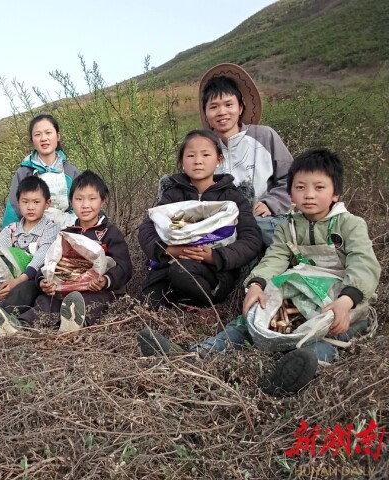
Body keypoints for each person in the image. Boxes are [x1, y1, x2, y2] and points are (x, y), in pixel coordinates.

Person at [139, 149, 381, 397]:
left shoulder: (350, 225)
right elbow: (275, 258)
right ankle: (194, 353)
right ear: (291, 193)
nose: (309, 195)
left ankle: (291, 375)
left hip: (341, 302)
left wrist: (346, 300)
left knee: (323, 338)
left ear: (335, 193)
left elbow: (364, 264)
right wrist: (256, 284)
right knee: (252, 320)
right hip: (301, 293)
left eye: (319, 188)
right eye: (300, 187)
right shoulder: (289, 226)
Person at [0, 170, 133, 335]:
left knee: (90, 301)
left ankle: (74, 325)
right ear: (71, 202)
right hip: (66, 287)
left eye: (92, 199)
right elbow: (49, 261)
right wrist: (43, 280)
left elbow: (124, 266)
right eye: (79, 199)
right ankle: (18, 326)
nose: (85, 205)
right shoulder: (67, 233)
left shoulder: (109, 233)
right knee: (46, 300)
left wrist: (106, 280)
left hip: (97, 290)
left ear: (102, 201)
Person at [138, 129, 262, 309]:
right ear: (182, 162)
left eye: (206, 154)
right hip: (170, 264)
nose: (198, 161)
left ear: (219, 159)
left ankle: (208, 305)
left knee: (181, 271)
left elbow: (251, 239)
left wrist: (215, 256)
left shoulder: (232, 197)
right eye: (190, 155)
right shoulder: (173, 196)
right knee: (148, 303)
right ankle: (180, 303)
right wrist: (168, 250)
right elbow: (147, 229)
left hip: (214, 272)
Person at [198, 63, 294, 246]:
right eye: (214, 107)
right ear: (206, 113)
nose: (222, 112)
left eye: (228, 104)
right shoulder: (203, 149)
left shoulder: (264, 136)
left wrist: (271, 203)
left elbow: (293, 178)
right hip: (223, 229)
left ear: (240, 107)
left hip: (265, 222)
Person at [0, 176, 61, 318]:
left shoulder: (51, 228)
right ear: (18, 203)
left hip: (34, 280)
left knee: (26, 288)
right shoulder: (10, 230)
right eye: (25, 202)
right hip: (8, 280)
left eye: (36, 202)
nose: (30, 207)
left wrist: (17, 281)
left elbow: (41, 257)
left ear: (47, 203)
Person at [1, 114, 80, 228]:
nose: (43, 138)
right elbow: (14, 208)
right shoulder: (24, 172)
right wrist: (7, 238)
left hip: (67, 231)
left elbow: (81, 206)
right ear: (32, 140)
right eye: (38, 134)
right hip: (31, 234)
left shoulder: (71, 172)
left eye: (48, 133)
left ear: (58, 136)